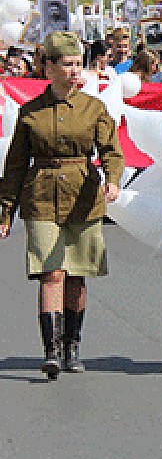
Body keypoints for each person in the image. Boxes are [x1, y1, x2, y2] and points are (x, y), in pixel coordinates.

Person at [0, 32, 124, 379]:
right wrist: (5, 210)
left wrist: (112, 179)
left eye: (77, 64)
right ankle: (51, 350)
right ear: (49, 67)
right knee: (51, 271)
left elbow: (111, 151)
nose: (74, 71)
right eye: (66, 64)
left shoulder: (93, 109)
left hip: (82, 198)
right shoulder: (31, 113)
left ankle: (72, 345)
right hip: (41, 196)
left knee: (77, 275)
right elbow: (14, 166)